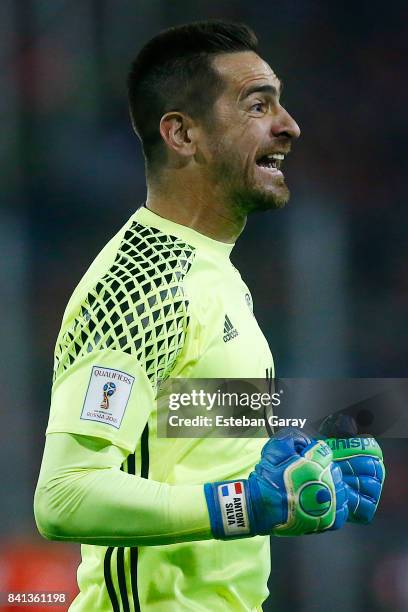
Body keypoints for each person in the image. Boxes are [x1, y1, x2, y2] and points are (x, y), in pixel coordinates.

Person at [34, 21, 385, 611]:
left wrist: (311, 470)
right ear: (182, 134)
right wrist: (244, 502)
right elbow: (64, 497)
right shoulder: (140, 282)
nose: (289, 125)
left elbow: (189, 447)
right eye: (257, 105)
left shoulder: (216, 277)